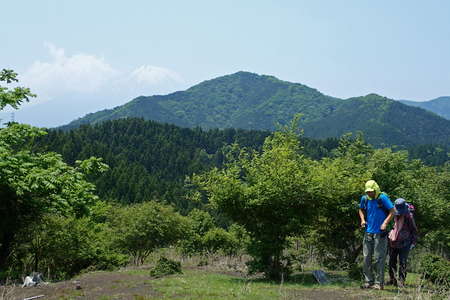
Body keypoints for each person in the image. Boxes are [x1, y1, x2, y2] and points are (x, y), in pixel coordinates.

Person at [358, 180, 395, 290]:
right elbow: (360, 209)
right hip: (368, 232)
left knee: (379, 258)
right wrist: (362, 220)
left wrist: (384, 223)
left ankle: (379, 283)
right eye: (368, 191)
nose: (369, 193)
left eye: (371, 191)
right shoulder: (364, 199)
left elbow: (392, 211)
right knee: (366, 258)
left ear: (376, 189)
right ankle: (368, 281)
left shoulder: (382, 198)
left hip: (380, 233)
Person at [387, 198, 418, 287]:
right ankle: (392, 280)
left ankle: (401, 281)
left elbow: (414, 230)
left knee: (402, 262)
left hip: (405, 242)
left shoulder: (409, 216)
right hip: (393, 241)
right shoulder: (393, 214)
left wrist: (413, 243)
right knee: (391, 261)